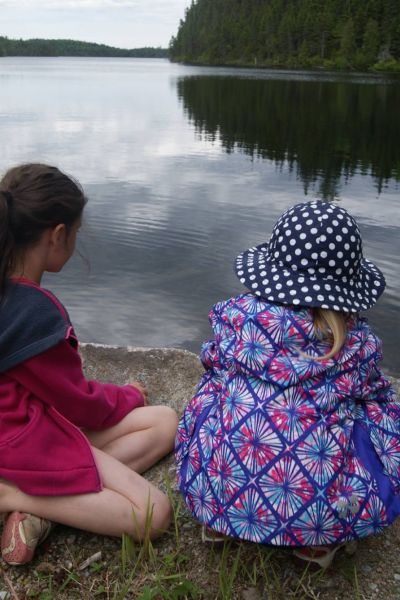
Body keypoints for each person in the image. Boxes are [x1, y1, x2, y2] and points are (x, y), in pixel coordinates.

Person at [175, 200, 400, 568]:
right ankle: (317, 545)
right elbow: (375, 393)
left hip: (214, 489)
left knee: (216, 389)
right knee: (378, 409)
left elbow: (212, 364)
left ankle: (218, 521)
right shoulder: (355, 345)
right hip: (317, 515)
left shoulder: (237, 322)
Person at [0, 163, 178, 566]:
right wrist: (130, 394)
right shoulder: (34, 313)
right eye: (76, 233)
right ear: (57, 235)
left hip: (25, 424)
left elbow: (55, 393)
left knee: (165, 421)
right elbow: (81, 406)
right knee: (154, 513)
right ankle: (14, 495)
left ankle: (45, 508)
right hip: (20, 443)